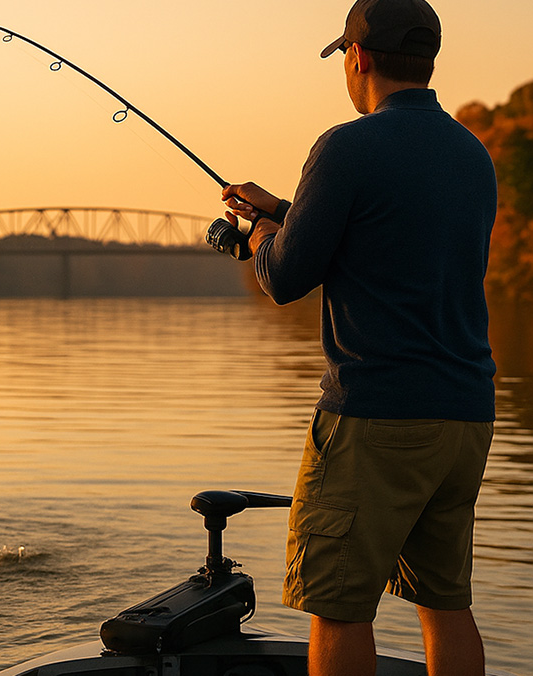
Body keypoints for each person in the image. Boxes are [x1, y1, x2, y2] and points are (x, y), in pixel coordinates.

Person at [221, 1, 498, 674]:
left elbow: (283, 277)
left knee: (340, 606)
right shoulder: (471, 154)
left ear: (358, 58)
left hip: (376, 417)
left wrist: (256, 233)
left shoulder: (346, 146)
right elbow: (389, 237)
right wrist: (288, 209)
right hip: (465, 415)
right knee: (445, 601)